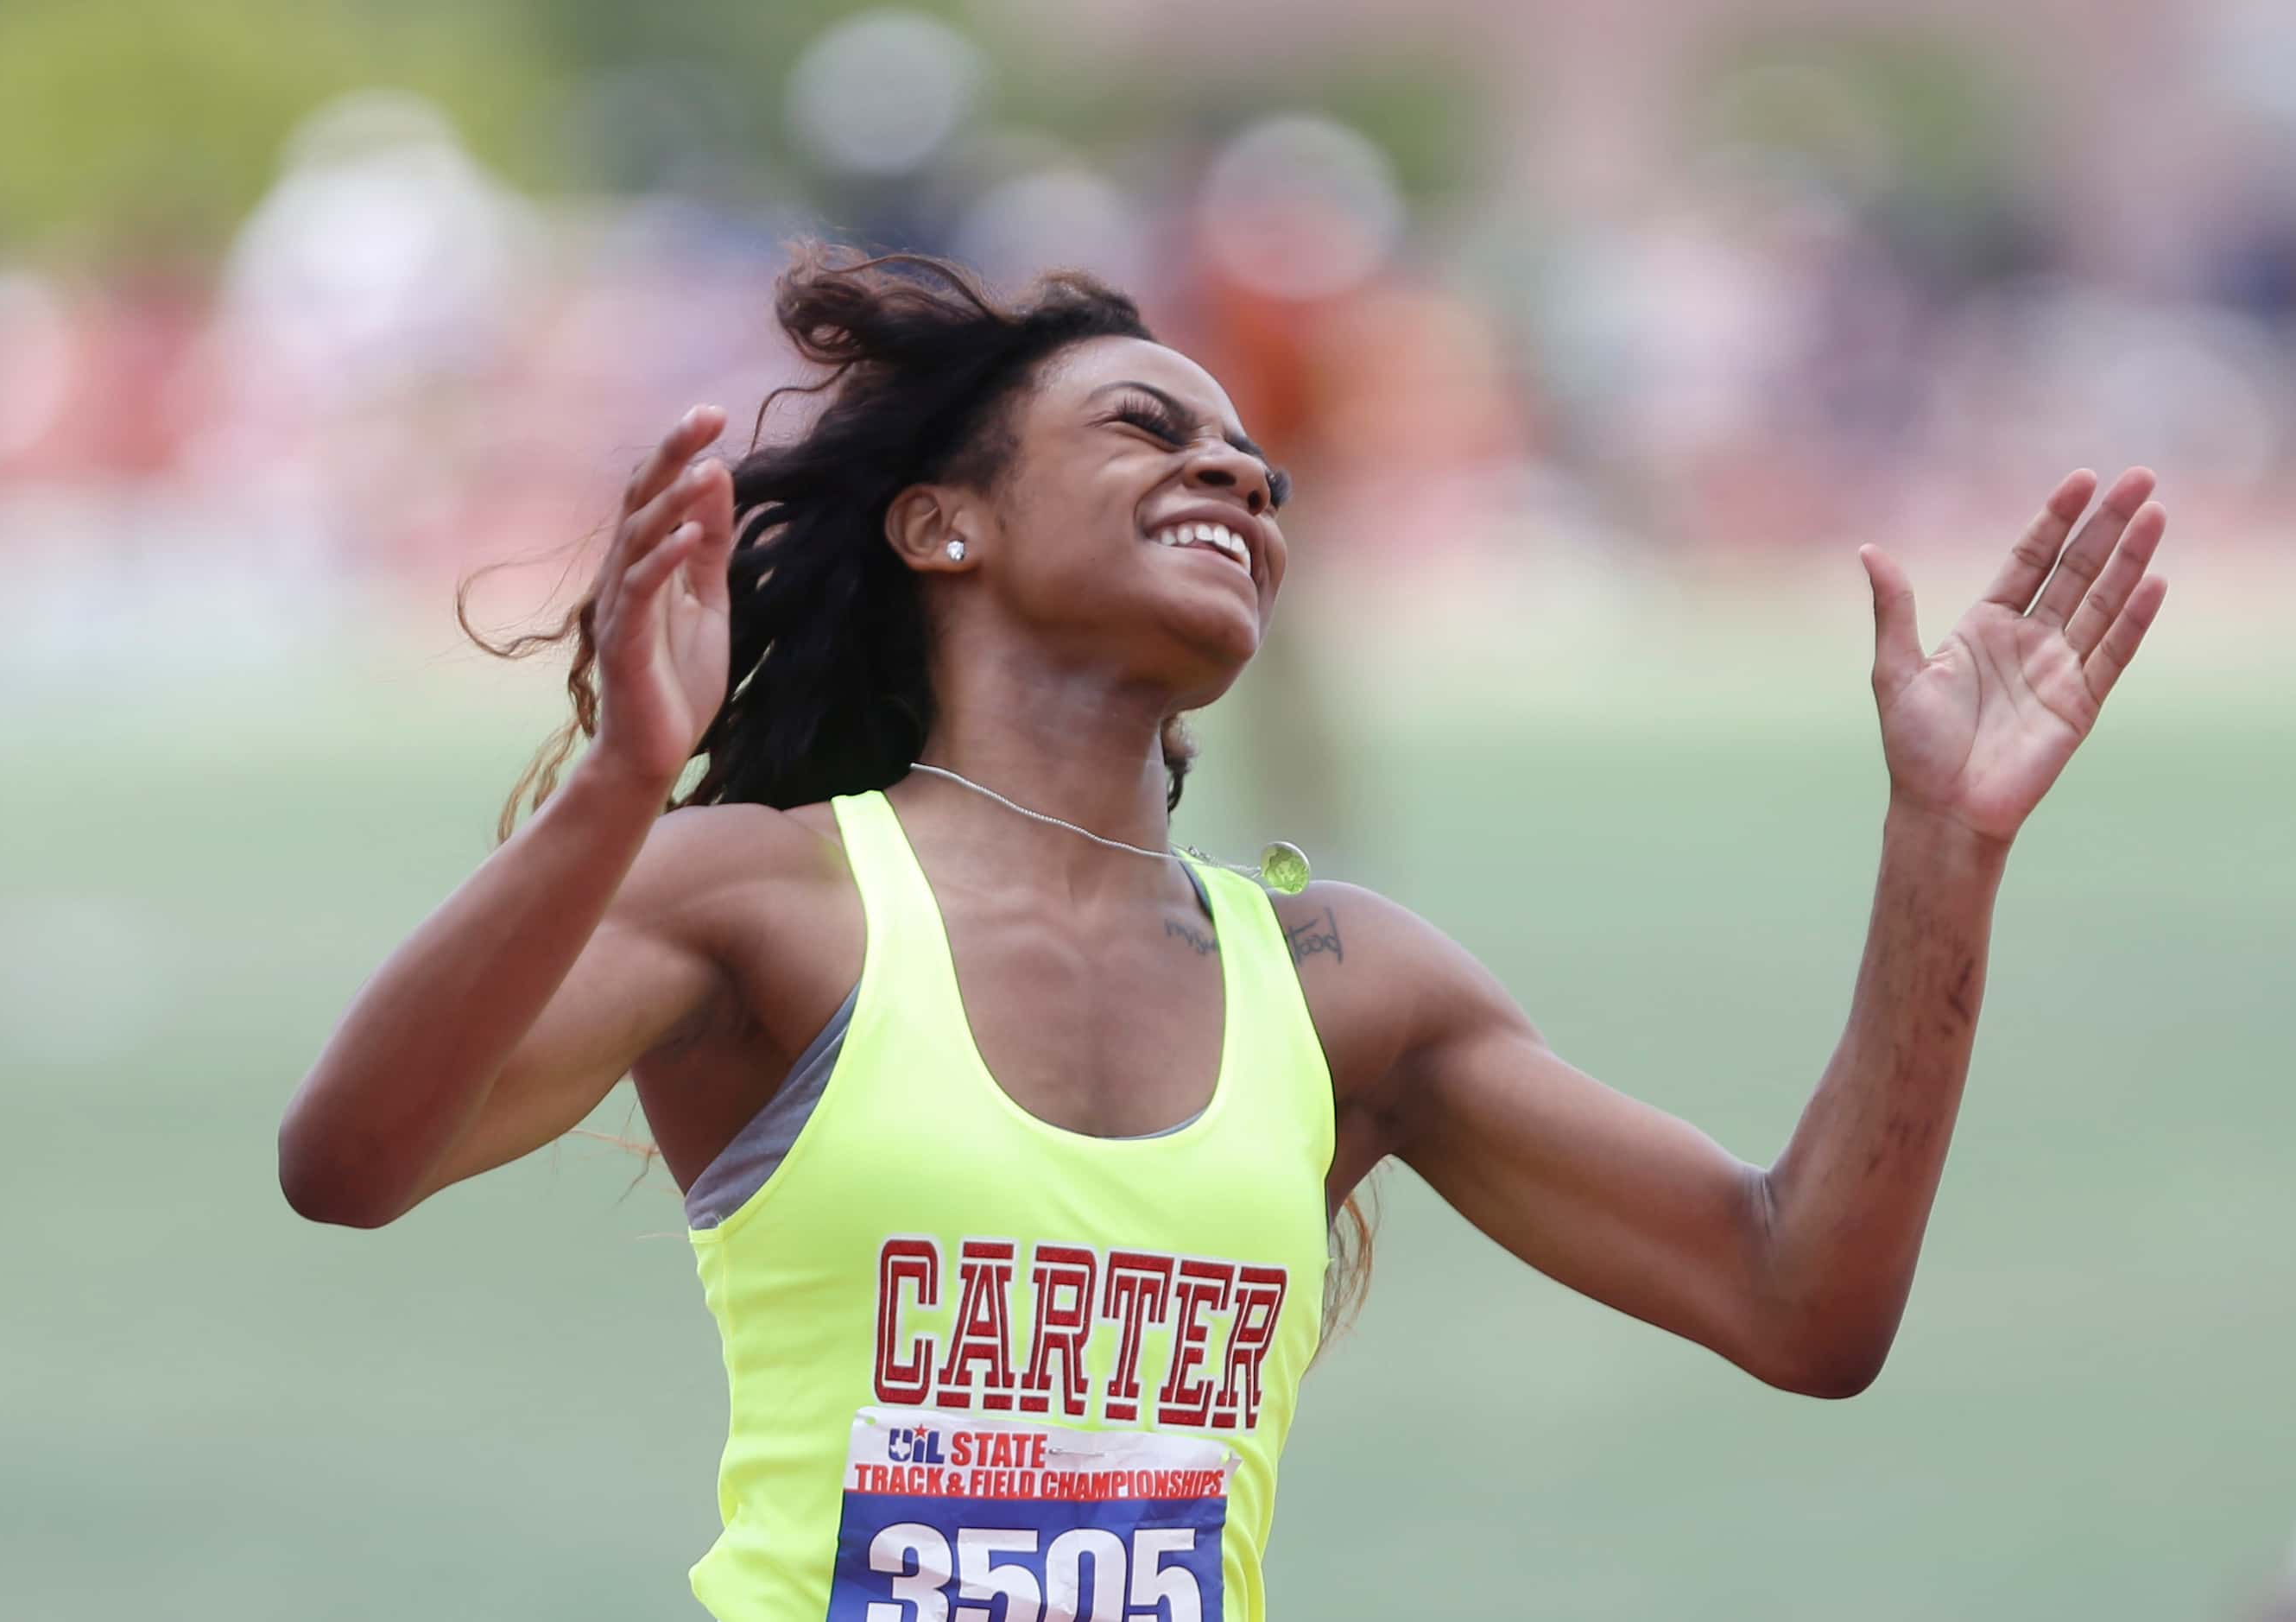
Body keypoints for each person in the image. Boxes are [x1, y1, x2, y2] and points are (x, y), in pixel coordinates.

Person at [277, 244, 2171, 1621]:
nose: (1239, 477)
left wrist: (1948, 849)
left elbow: (1800, 1301)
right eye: (1145, 427)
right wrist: (623, 783)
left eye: (1257, 466)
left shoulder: (1347, 986)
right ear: (945, 529)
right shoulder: (767, 895)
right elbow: (352, 1165)